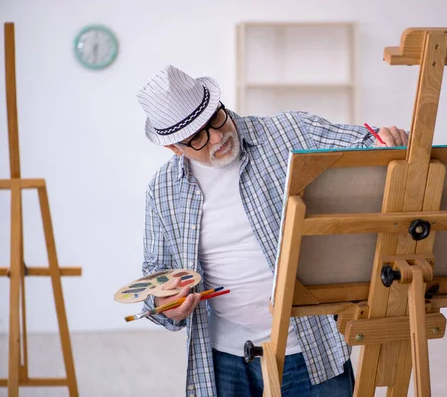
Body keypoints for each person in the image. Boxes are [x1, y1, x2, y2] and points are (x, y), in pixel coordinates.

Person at [136, 65, 408, 397]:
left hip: (311, 350)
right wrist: (166, 303)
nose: (219, 137)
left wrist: (386, 141)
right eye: (198, 137)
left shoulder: (290, 132)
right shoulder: (163, 190)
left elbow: (370, 144)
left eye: (216, 118)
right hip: (223, 359)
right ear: (174, 148)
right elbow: (155, 275)